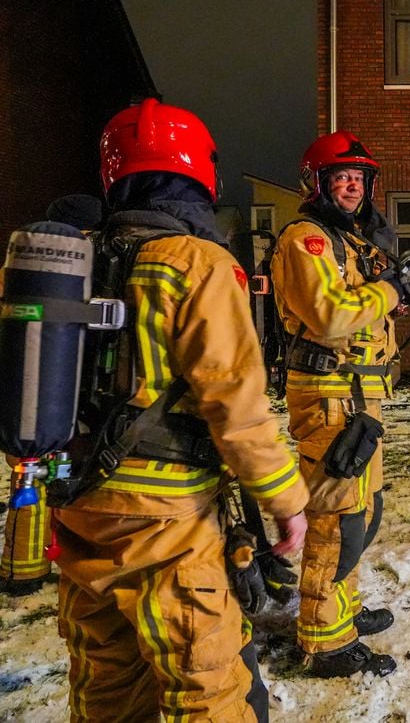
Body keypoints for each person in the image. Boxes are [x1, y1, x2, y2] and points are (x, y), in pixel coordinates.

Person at [54, 98, 309, 719]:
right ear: (202, 175)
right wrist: (286, 500)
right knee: (205, 688)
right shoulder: (197, 262)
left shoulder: (72, 259)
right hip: (169, 522)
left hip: (80, 506)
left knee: (107, 687)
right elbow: (236, 402)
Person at [274, 130, 410, 678]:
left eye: (359, 178)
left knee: (365, 512)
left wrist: (396, 297)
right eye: (340, 177)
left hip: (360, 395)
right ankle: (325, 640)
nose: (351, 186)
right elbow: (330, 316)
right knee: (337, 519)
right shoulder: (307, 239)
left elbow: (362, 308)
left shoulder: (354, 240)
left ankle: (342, 606)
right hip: (329, 396)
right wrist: (391, 290)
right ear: (316, 184)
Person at [1, 195, 102, 597]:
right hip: (67, 393)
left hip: (25, 391)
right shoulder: (89, 265)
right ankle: (65, 557)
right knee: (63, 478)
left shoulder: (20, 268)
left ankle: (21, 568)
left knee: (28, 477)